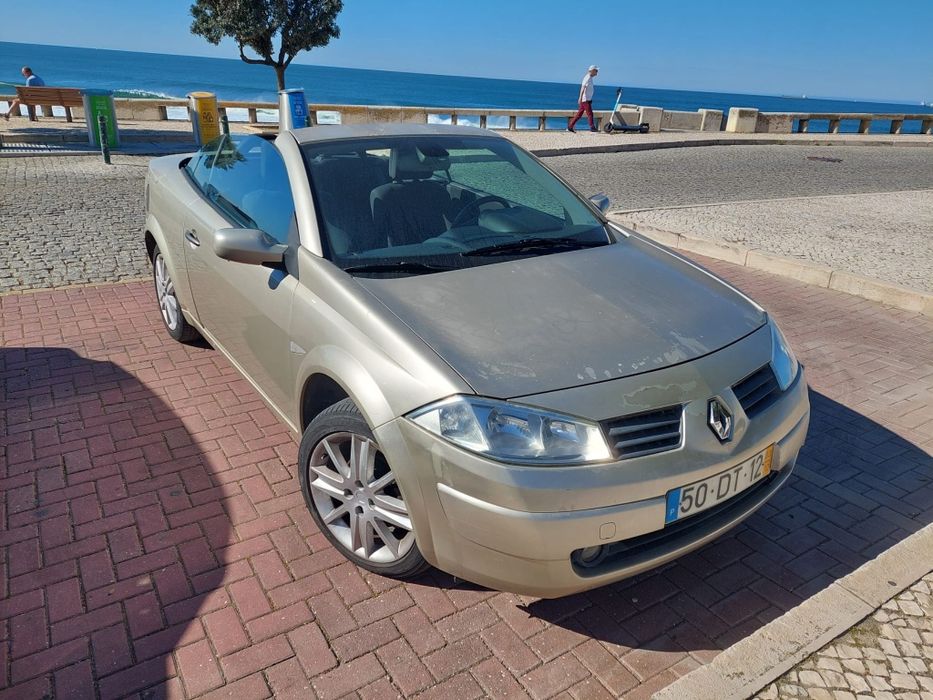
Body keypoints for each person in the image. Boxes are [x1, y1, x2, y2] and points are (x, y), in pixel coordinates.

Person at [568, 65, 599, 133]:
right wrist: (580, 98)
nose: (597, 72)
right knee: (590, 114)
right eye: (596, 71)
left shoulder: (590, 78)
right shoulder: (587, 78)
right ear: (592, 71)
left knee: (579, 114)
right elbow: (583, 88)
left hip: (587, 99)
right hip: (585, 100)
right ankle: (592, 127)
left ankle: (570, 126)